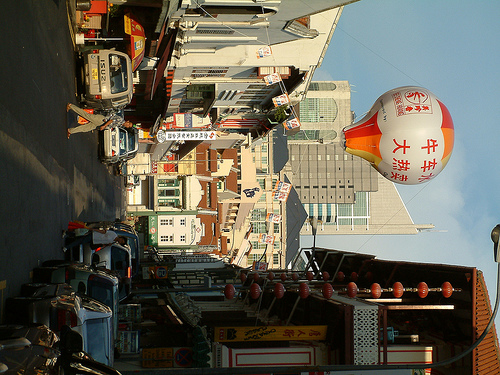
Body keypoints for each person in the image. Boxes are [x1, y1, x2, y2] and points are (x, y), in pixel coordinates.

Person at [66, 103, 135, 138]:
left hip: (100, 124)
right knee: (86, 115)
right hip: (102, 120)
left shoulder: (120, 125)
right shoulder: (120, 120)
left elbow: (111, 125)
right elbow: (111, 121)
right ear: (127, 121)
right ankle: (71, 106)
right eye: (128, 124)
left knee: (86, 128)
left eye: (128, 126)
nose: (127, 125)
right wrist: (104, 126)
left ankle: (70, 131)